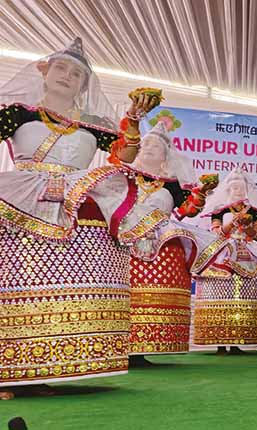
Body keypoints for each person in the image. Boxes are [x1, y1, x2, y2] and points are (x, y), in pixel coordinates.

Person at [0, 38, 162, 399]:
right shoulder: (17, 111)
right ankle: (9, 371)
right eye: (61, 68)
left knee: (66, 287)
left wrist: (133, 119)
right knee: (21, 286)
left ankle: (46, 366)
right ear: (44, 71)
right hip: (26, 203)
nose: (68, 76)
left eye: (77, 74)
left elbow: (126, 154)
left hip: (80, 207)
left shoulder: (94, 123)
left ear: (85, 85)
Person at [122, 120, 219, 365]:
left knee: (154, 293)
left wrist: (202, 194)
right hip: (125, 240)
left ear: (166, 156)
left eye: (157, 145)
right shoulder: (124, 174)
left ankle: (143, 348)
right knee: (126, 294)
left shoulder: (173, 184)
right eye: (147, 144)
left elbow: (187, 210)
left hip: (162, 244)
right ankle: (120, 345)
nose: (150, 148)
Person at [192, 168, 257, 355]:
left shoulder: (253, 212)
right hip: (224, 251)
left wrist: (246, 227)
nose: (237, 191)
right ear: (228, 189)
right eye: (234, 188)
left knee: (245, 293)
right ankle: (220, 342)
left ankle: (238, 339)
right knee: (220, 293)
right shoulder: (220, 210)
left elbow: (256, 235)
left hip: (247, 250)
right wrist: (232, 224)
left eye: (241, 188)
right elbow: (217, 234)